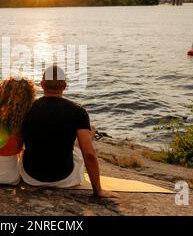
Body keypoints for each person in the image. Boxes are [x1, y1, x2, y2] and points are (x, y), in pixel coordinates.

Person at [19, 65, 120, 198]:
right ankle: (90, 134)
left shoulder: (25, 109)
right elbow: (89, 154)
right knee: (81, 144)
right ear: (65, 86)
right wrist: (98, 190)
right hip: (64, 179)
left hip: (30, 177)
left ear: (42, 84)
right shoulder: (77, 112)